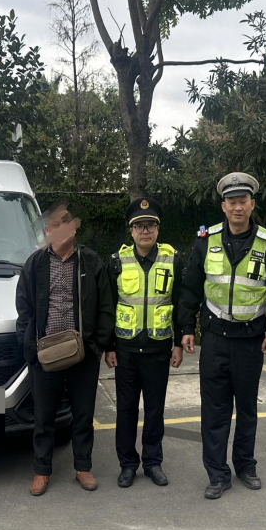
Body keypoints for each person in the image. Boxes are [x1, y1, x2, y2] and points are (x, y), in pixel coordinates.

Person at [178, 172, 266, 500]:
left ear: (252, 204)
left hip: (250, 340)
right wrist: (186, 328)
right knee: (214, 410)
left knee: (246, 408)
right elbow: (190, 288)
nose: (237, 207)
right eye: (232, 202)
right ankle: (217, 474)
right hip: (214, 338)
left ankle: (245, 466)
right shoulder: (206, 240)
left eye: (243, 201)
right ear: (223, 206)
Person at [16, 202, 115, 496]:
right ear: (47, 232)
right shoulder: (34, 264)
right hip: (45, 354)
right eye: (54, 227)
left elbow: (106, 305)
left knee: (83, 415)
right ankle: (42, 471)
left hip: (82, 354)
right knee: (44, 417)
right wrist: (30, 347)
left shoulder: (90, 261)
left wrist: (97, 345)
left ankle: (83, 467)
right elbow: (24, 308)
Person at [105, 197, 184, 488]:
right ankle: (127, 464)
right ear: (131, 231)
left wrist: (179, 343)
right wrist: (108, 346)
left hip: (158, 349)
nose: (145, 231)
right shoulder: (117, 261)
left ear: (158, 229)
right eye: (139, 226)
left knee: (154, 410)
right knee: (126, 411)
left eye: (150, 225)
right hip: (125, 350)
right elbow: (108, 304)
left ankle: (152, 463)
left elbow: (181, 303)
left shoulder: (172, 259)